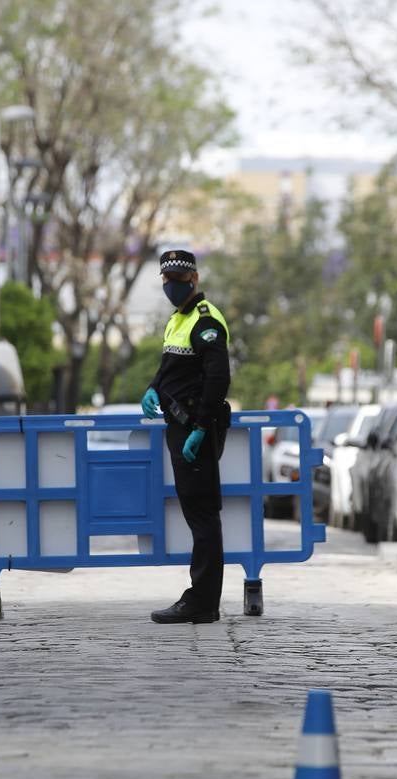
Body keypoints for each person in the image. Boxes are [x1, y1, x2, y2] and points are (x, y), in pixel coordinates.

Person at [141, 249, 231, 624]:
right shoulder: (178, 320)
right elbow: (170, 369)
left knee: (203, 517)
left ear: (193, 279)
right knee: (197, 515)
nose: (171, 287)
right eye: (167, 280)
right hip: (178, 427)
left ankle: (203, 602)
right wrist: (152, 388)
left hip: (197, 430)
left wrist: (198, 429)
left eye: (178, 280)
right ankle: (202, 599)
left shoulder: (206, 321)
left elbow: (217, 379)